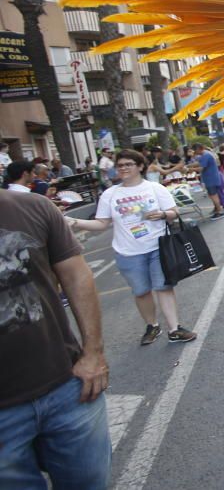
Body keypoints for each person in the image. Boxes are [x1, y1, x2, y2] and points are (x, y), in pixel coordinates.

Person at [0, 188, 111, 488]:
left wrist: (93, 354)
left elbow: (76, 277)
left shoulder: (31, 207)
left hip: (68, 389)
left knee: (90, 483)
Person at [69, 149, 197, 345]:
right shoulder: (110, 194)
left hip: (158, 247)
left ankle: (174, 328)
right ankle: (152, 326)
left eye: (128, 164)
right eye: (120, 165)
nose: (123, 168)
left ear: (140, 166)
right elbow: (101, 223)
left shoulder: (155, 188)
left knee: (163, 287)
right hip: (127, 252)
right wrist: (75, 222)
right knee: (141, 291)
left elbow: (174, 212)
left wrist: (162, 214)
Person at [189, 143, 224, 219]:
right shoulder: (205, 154)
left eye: (195, 150)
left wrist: (189, 169)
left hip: (211, 178)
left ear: (198, 149)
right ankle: (217, 209)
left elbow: (201, 168)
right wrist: (188, 166)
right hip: (210, 178)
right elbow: (199, 163)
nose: (195, 152)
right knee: (212, 195)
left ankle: (219, 211)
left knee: (213, 195)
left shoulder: (206, 155)